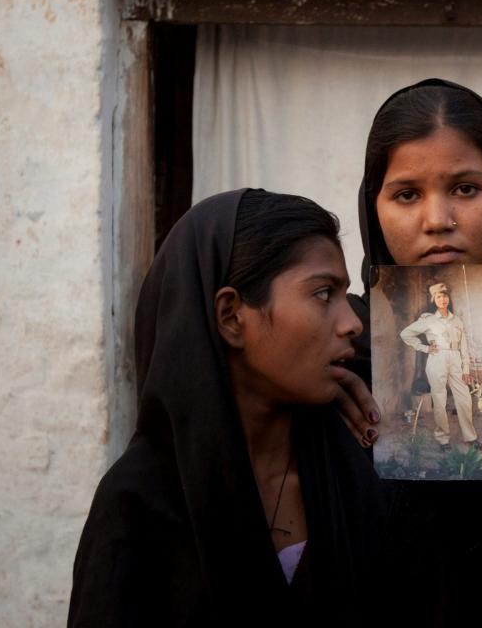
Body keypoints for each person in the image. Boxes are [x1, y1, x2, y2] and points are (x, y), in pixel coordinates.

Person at [68, 189, 389, 627]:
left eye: (345, 294)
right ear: (232, 316)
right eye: (322, 294)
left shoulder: (353, 468)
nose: (352, 322)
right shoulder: (139, 505)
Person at [350, 78, 482, 467]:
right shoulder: (339, 350)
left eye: (465, 189)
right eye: (407, 194)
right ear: (373, 207)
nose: (437, 221)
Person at [399, 282, 482, 452]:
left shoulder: (457, 320)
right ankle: (443, 439)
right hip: (437, 359)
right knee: (439, 400)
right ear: (434, 300)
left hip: (455, 358)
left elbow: (464, 347)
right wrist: (425, 348)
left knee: (464, 399)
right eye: (439, 296)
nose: (442, 299)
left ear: (448, 298)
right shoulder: (428, 320)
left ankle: (471, 437)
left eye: (445, 296)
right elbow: (405, 334)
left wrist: (466, 369)